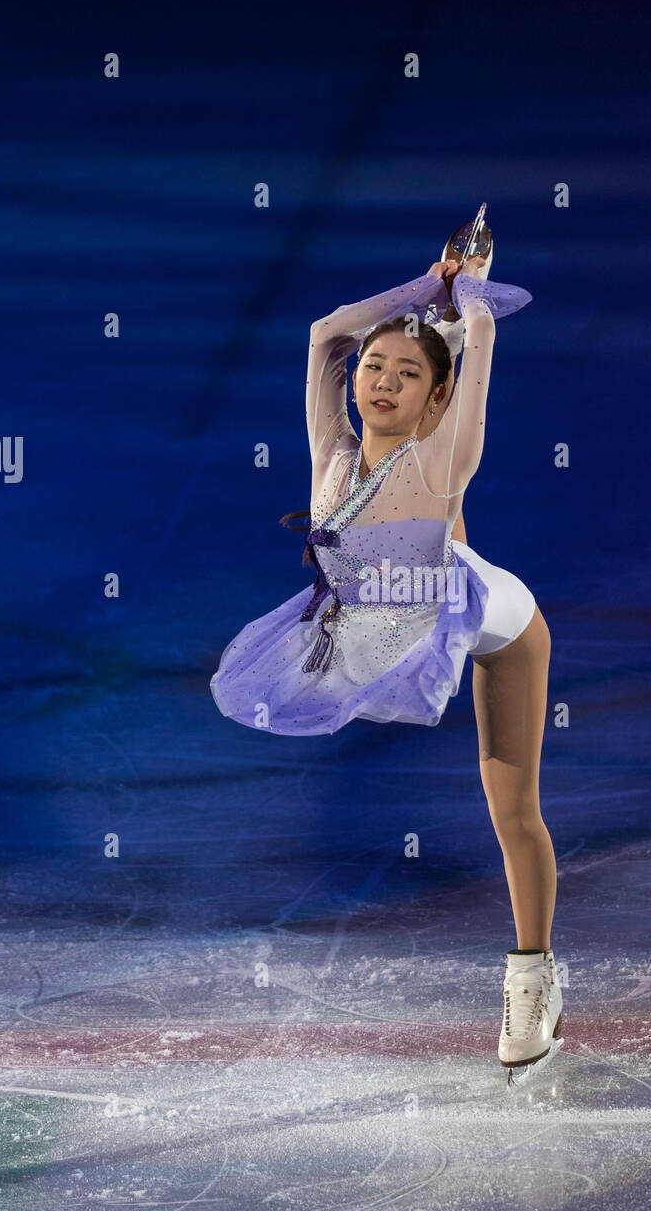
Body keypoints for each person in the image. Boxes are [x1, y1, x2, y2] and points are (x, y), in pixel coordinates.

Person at [210, 247, 562, 1082]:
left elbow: (478, 332)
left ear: (437, 396)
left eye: (409, 374)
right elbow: (326, 331)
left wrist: (467, 293)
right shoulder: (331, 459)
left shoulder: (440, 460)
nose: (383, 381)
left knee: (512, 812)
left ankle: (532, 979)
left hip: (492, 615)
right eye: (377, 366)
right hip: (378, 623)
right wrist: (427, 284)